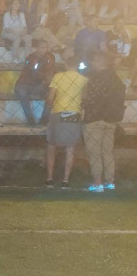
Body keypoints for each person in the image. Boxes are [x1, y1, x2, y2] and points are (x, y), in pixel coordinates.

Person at [82, 52, 125, 192]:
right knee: (107, 152)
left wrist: (84, 104)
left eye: (94, 61)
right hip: (111, 119)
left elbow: (90, 99)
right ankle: (110, 182)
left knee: (94, 152)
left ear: (100, 62)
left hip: (94, 119)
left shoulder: (96, 79)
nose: (92, 63)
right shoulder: (116, 79)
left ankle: (97, 183)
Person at [44, 52, 88, 188]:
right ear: (78, 66)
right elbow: (85, 98)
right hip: (74, 113)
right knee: (70, 148)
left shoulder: (58, 76)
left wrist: (50, 105)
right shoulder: (83, 79)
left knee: (51, 146)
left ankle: (49, 179)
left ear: (66, 64)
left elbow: (50, 98)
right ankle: (65, 180)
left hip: (58, 111)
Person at [14, 40, 56, 126]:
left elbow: (50, 71)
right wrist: (44, 77)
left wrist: (46, 80)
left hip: (41, 84)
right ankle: (30, 119)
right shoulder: (31, 58)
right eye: (42, 48)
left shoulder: (50, 57)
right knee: (21, 92)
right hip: (27, 84)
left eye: (46, 48)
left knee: (53, 93)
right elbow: (32, 74)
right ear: (37, 48)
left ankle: (44, 119)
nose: (45, 50)